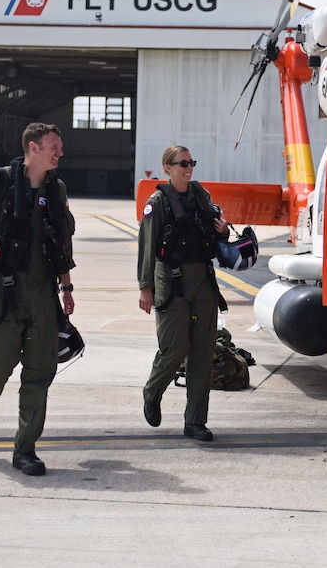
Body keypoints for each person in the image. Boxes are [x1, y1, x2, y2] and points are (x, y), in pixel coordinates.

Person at [0, 122, 76, 476]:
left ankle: (25, 449)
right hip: (1, 290)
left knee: (40, 373)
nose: (60, 152)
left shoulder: (57, 189)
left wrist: (67, 288)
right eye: (54, 146)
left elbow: (63, 243)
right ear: (33, 148)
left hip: (42, 295)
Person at [138, 145, 228, 441]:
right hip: (171, 283)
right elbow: (147, 247)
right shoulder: (158, 202)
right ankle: (152, 392)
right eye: (182, 163)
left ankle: (195, 422)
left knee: (203, 352)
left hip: (203, 281)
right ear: (168, 167)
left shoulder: (201, 196)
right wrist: (145, 288)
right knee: (174, 348)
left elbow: (214, 233)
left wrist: (224, 231)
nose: (188, 168)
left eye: (191, 162)